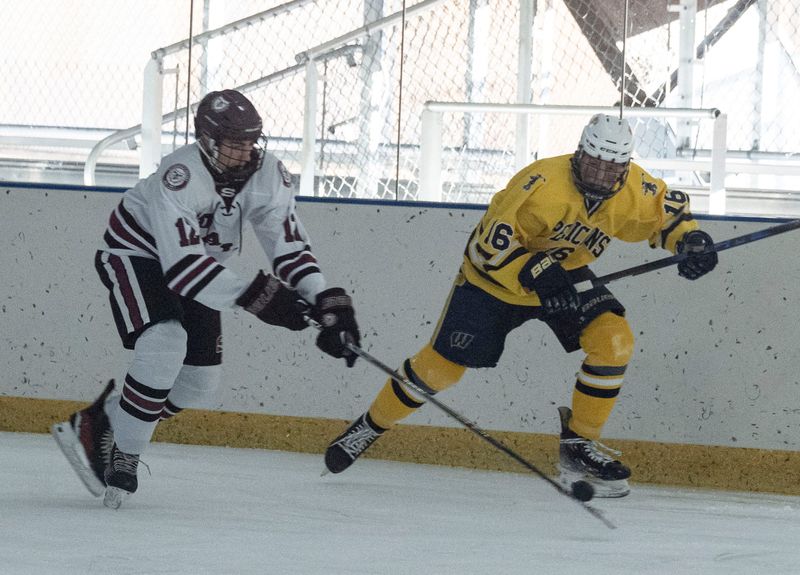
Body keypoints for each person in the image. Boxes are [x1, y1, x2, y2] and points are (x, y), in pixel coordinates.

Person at [323, 113, 718, 498]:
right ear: (579, 154)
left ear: (625, 167)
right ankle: (368, 428)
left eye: (610, 170)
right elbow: (484, 249)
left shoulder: (636, 186)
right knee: (440, 370)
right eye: (593, 165)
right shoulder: (539, 183)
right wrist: (536, 269)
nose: (600, 176)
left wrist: (690, 240)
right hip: (495, 282)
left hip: (564, 277)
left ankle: (578, 446)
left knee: (614, 341)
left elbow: (665, 217)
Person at [52, 89, 360, 509]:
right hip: (137, 256)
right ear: (208, 141)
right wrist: (265, 299)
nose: (246, 152)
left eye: (251, 142)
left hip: (202, 267)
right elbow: (182, 269)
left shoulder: (268, 174)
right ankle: (125, 453)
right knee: (164, 342)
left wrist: (323, 297)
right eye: (235, 143)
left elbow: (287, 246)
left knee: (198, 383)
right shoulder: (180, 175)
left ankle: (101, 421)